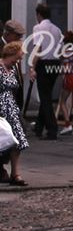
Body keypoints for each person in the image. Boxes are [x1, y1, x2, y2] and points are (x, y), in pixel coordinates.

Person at [29, 4, 62, 141]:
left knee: (45, 97)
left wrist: (32, 65)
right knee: (46, 95)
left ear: (39, 15)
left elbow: (38, 47)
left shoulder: (38, 28)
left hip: (43, 63)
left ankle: (52, 129)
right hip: (55, 63)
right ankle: (38, 127)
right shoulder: (57, 29)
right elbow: (60, 49)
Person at [0, 42, 29, 185]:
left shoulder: (13, 69)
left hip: (11, 108)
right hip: (1, 109)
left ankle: (15, 174)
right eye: (16, 58)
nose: (17, 61)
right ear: (9, 53)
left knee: (17, 139)